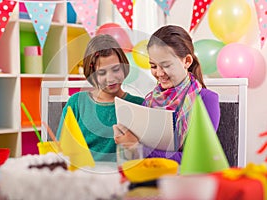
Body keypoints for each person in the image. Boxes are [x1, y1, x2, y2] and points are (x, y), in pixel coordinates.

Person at [113, 25, 220, 164]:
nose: (159, 73)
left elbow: (198, 159)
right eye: (153, 66)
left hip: (186, 180)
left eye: (167, 65)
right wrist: (125, 142)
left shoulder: (206, 99)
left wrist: (138, 148)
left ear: (186, 61)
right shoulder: (150, 101)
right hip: (149, 175)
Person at [56, 34, 144, 162]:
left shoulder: (140, 104)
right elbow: (62, 149)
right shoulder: (77, 103)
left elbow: (148, 154)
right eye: (102, 72)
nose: (111, 78)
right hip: (85, 176)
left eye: (116, 69)